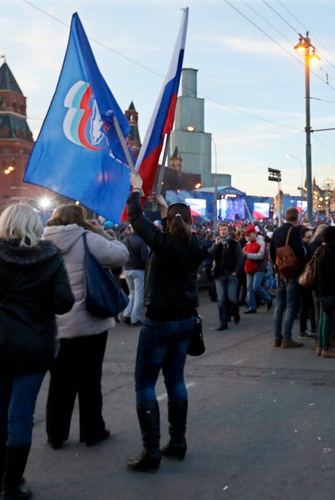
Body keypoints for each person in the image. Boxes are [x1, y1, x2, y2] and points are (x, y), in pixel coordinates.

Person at [0, 204, 74, 499]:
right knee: (21, 415)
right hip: (33, 343)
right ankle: (13, 485)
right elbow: (64, 302)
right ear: (34, 225)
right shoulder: (50, 257)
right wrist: (38, 306)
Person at [126, 176, 211, 472]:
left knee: (145, 384)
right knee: (175, 381)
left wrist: (136, 189)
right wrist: (166, 209)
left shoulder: (162, 244)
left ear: (169, 224)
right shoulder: (199, 245)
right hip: (186, 321)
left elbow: (135, 218)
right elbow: (179, 233)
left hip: (159, 323)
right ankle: (178, 442)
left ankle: (151, 452)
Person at [42, 205, 129, 451]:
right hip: (89, 322)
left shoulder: (43, 243)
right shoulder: (88, 239)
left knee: (59, 381)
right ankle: (92, 430)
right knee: (90, 379)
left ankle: (55, 434)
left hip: (57, 323)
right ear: (80, 220)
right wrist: (103, 232)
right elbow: (122, 255)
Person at [269, 207, 306, 348]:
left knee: (279, 305)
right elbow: (298, 252)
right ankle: (287, 338)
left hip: (280, 272)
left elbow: (272, 252)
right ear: (297, 218)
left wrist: (278, 266)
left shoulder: (277, 231)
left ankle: (277, 338)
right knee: (291, 305)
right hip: (292, 272)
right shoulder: (294, 231)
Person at [312, 225, 335, 358]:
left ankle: (320, 345)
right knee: (327, 318)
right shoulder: (329, 252)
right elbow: (333, 275)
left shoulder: (320, 250)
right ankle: (326, 347)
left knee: (321, 318)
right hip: (328, 290)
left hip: (318, 289)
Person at [211, 222, 243, 331]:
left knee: (232, 298)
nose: (223, 231)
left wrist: (236, 272)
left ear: (228, 231)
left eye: (224, 229)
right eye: (221, 230)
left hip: (231, 274)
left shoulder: (235, 243)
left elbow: (240, 259)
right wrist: (215, 245)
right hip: (219, 275)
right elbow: (210, 254)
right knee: (221, 299)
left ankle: (236, 312)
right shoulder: (216, 243)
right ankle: (223, 322)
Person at [122, 224, 150, 326]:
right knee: (138, 295)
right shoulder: (141, 240)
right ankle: (135, 318)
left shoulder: (125, 240)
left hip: (127, 269)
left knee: (132, 293)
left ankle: (126, 314)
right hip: (138, 270)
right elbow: (144, 257)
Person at [242, 224, 272, 313]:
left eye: (249, 234)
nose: (247, 237)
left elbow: (260, 256)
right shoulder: (248, 243)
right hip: (249, 267)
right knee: (249, 287)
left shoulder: (261, 242)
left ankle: (268, 299)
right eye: (247, 235)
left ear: (254, 234)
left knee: (256, 286)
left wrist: (247, 255)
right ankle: (252, 306)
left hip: (258, 267)